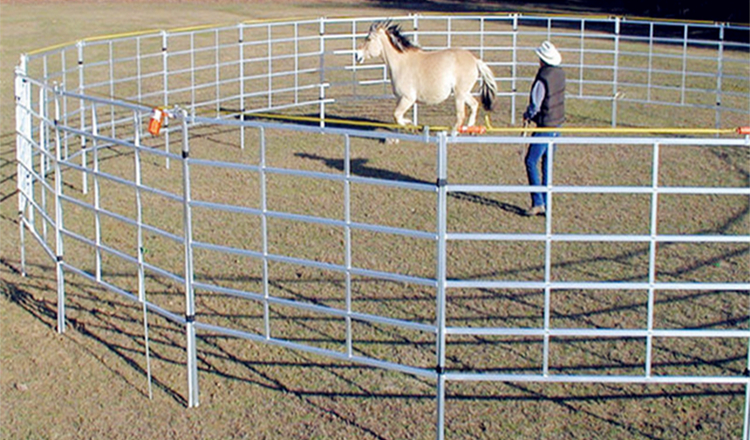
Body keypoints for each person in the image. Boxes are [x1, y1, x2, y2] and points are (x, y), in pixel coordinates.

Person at [522, 41, 565, 216]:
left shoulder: (543, 77)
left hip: (545, 125)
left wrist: (528, 115)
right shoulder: (560, 74)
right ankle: (546, 201)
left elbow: (536, 103)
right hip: (557, 123)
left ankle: (538, 202)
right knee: (547, 162)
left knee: (531, 160)